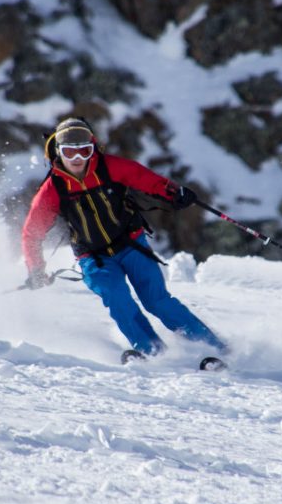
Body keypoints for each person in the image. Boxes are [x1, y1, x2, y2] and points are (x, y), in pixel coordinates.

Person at [20, 117, 227, 362]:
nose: (76, 159)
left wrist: (174, 193)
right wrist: (36, 269)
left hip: (131, 245)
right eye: (69, 152)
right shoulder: (53, 188)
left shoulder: (110, 167)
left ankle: (213, 349)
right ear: (58, 152)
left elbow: (147, 180)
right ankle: (155, 354)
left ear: (92, 149)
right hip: (94, 258)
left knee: (157, 301)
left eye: (84, 151)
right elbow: (31, 234)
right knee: (118, 299)